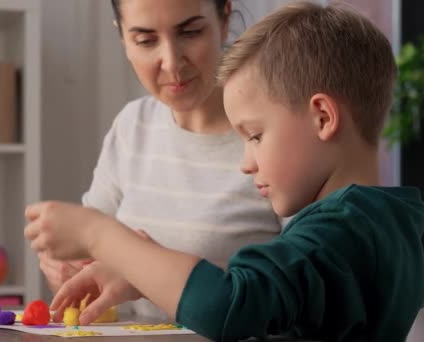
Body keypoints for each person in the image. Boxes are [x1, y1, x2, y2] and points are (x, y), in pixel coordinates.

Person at [25, 1, 424, 341]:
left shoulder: (338, 232)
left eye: (255, 135)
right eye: (145, 38)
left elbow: (230, 304)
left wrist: (100, 234)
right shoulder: (382, 223)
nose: (245, 161)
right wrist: (139, 275)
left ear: (323, 117)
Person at [38, 0, 281, 322]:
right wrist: (66, 270)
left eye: (191, 32)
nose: (171, 62)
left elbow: (296, 293)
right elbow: (91, 256)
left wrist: (138, 271)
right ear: (123, 38)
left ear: (224, 20)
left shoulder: (276, 131)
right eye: (146, 40)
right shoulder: (131, 126)